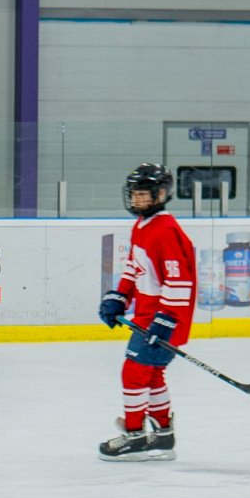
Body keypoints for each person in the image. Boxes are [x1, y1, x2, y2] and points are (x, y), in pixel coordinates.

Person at [96, 163, 196, 461]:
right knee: (152, 375)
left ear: (161, 195)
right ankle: (163, 434)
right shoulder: (142, 226)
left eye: (144, 194)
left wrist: (165, 321)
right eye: (135, 194)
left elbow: (179, 281)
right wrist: (119, 297)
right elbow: (134, 268)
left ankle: (135, 434)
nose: (138, 199)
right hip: (148, 318)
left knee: (134, 373)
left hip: (163, 320)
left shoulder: (167, 231)